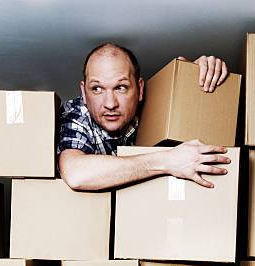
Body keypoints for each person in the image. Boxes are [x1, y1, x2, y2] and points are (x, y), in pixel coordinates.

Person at [58, 43, 232, 191]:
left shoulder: (153, 105)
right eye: (97, 89)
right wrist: (168, 160)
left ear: (140, 89)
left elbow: (189, 106)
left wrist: (198, 75)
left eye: (121, 87)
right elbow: (76, 174)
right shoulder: (76, 113)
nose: (110, 104)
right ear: (83, 92)